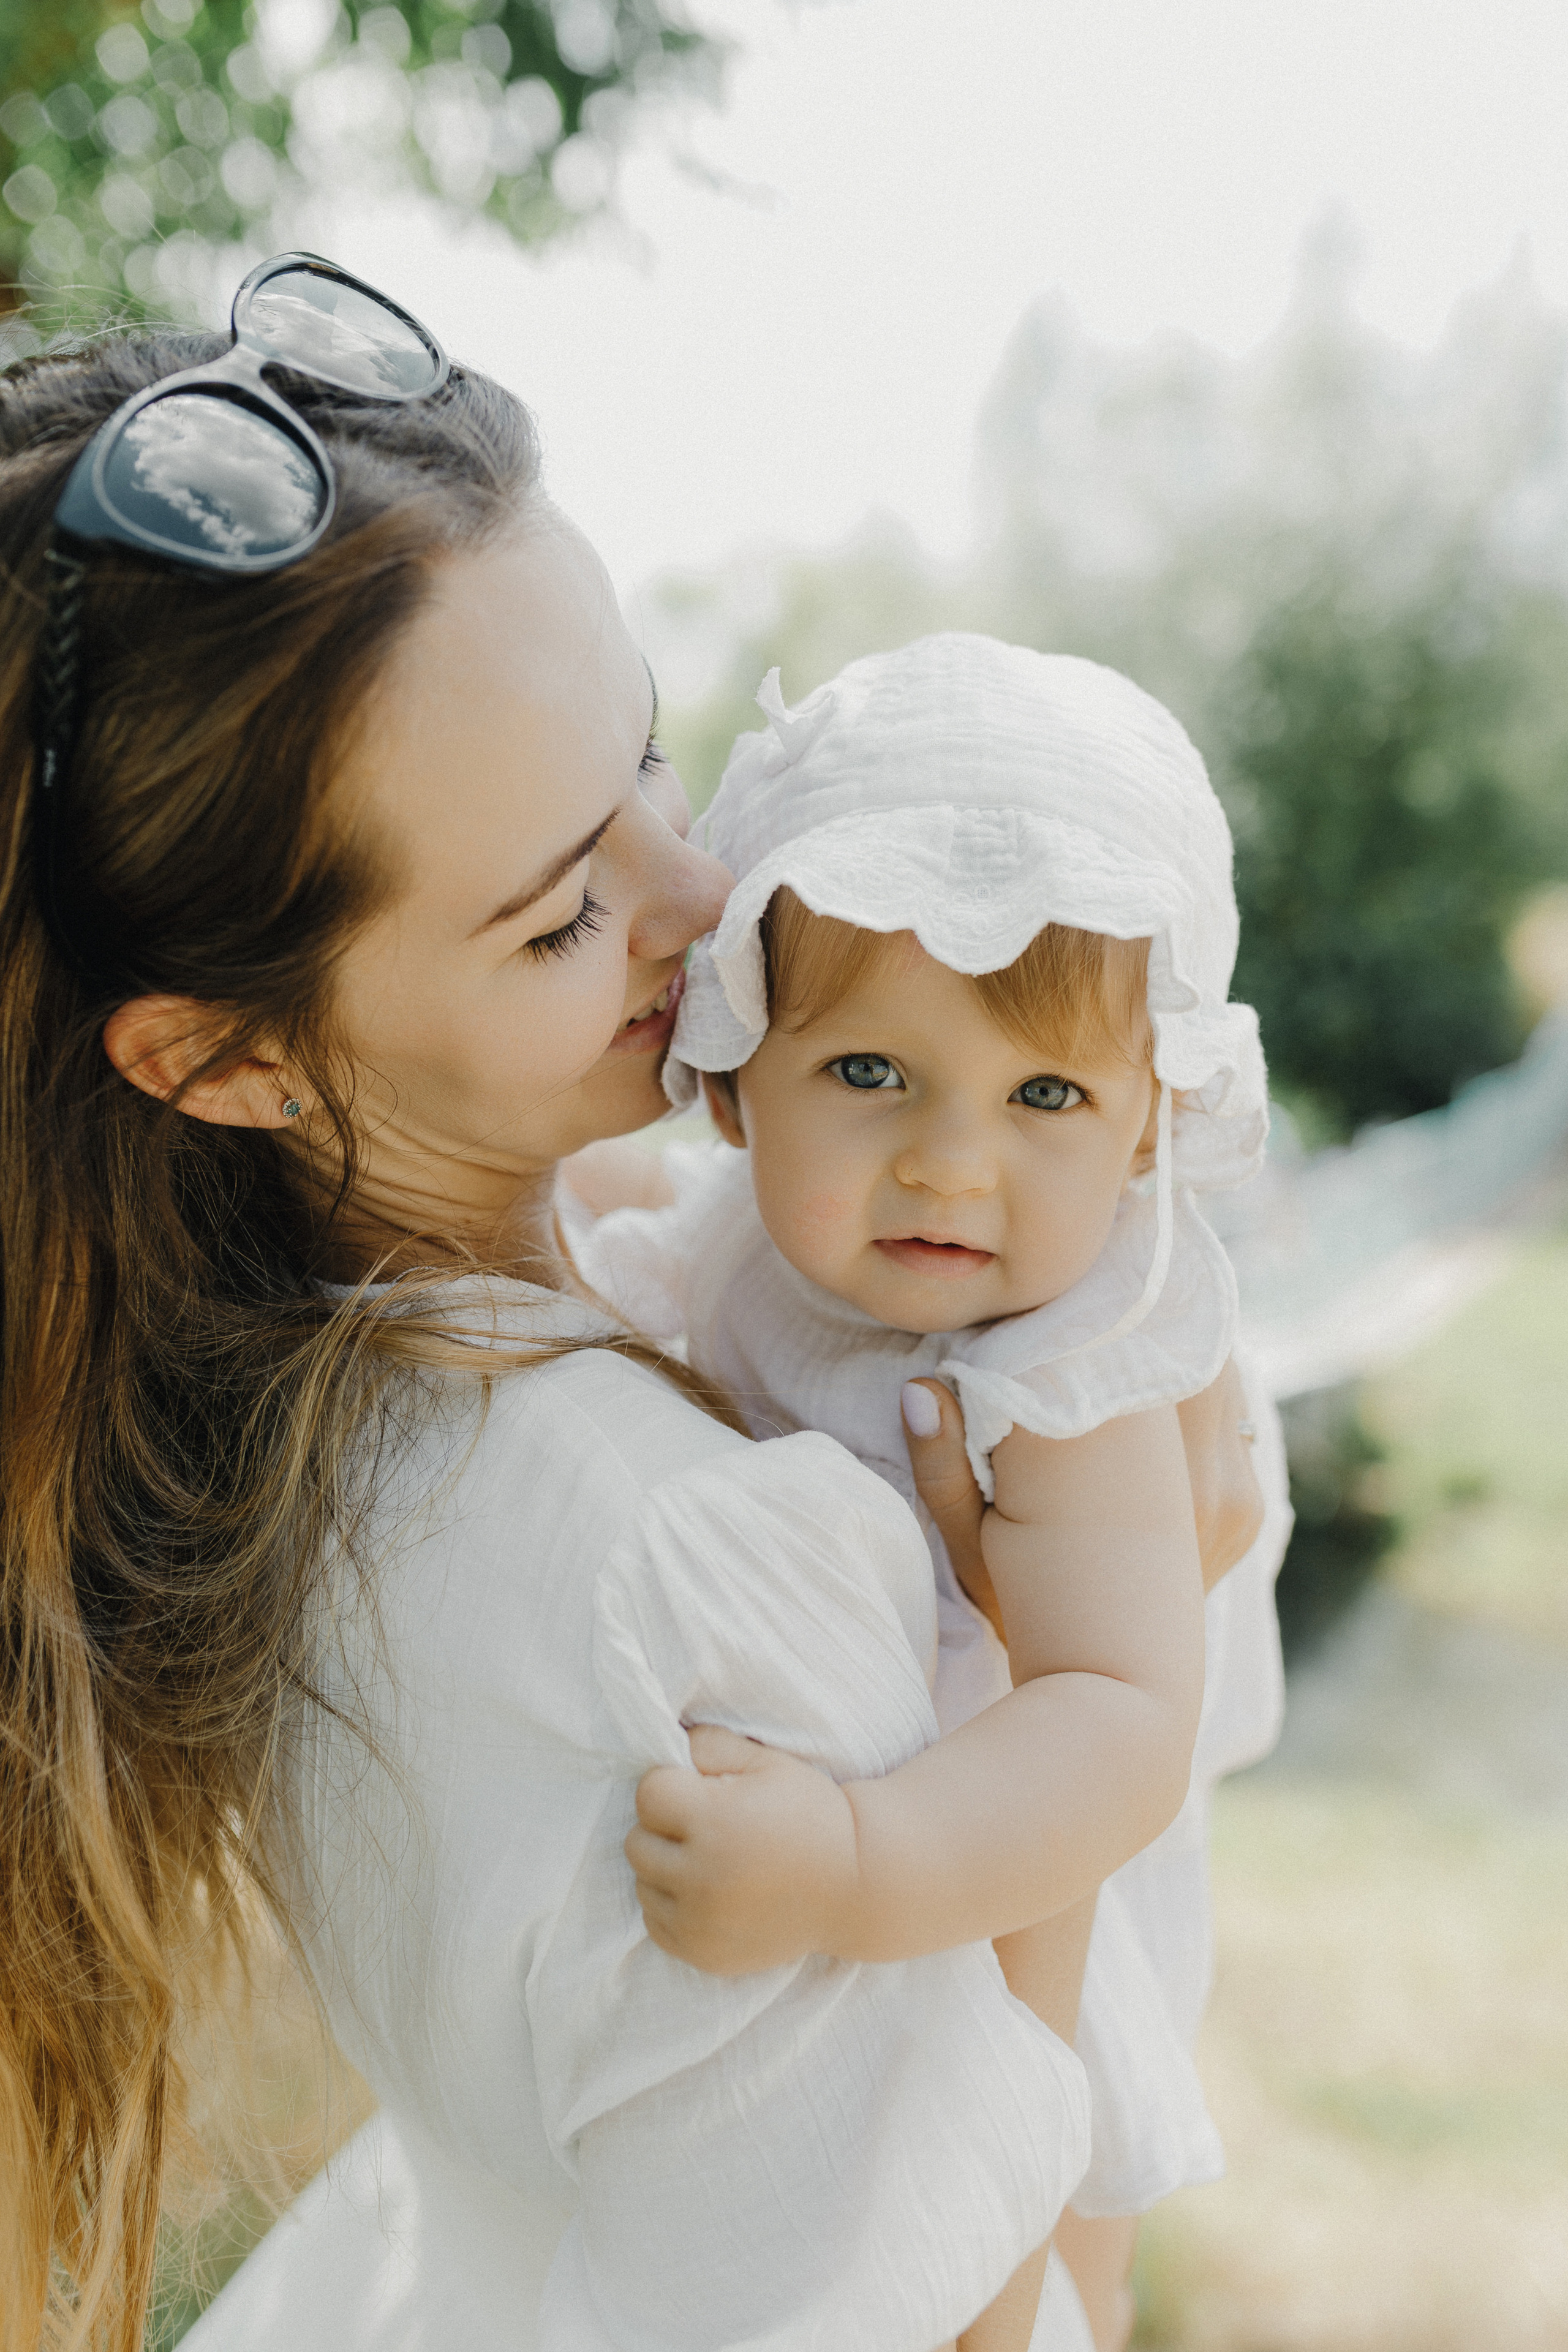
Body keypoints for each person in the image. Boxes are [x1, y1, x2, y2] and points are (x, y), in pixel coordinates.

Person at [0, 262, 1258, 2352]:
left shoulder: (262, 1425)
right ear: (230, 1062)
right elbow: (936, 2305)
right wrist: (1049, 1673)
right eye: (565, 908)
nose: (706, 900)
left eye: (654, 763)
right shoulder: (692, 1564)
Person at [568, 639, 1291, 2352]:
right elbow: (634, 1289)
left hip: (1016, 1867)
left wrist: (849, 1861)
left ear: (1144, 1131)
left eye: (1046, 1094)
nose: (952, 1160)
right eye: (872, 1074)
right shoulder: (751, 1238)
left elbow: (1116, 1715)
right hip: (848, 1887)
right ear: (737, 1079)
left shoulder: (1077, 1356)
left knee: (1004, 2282)